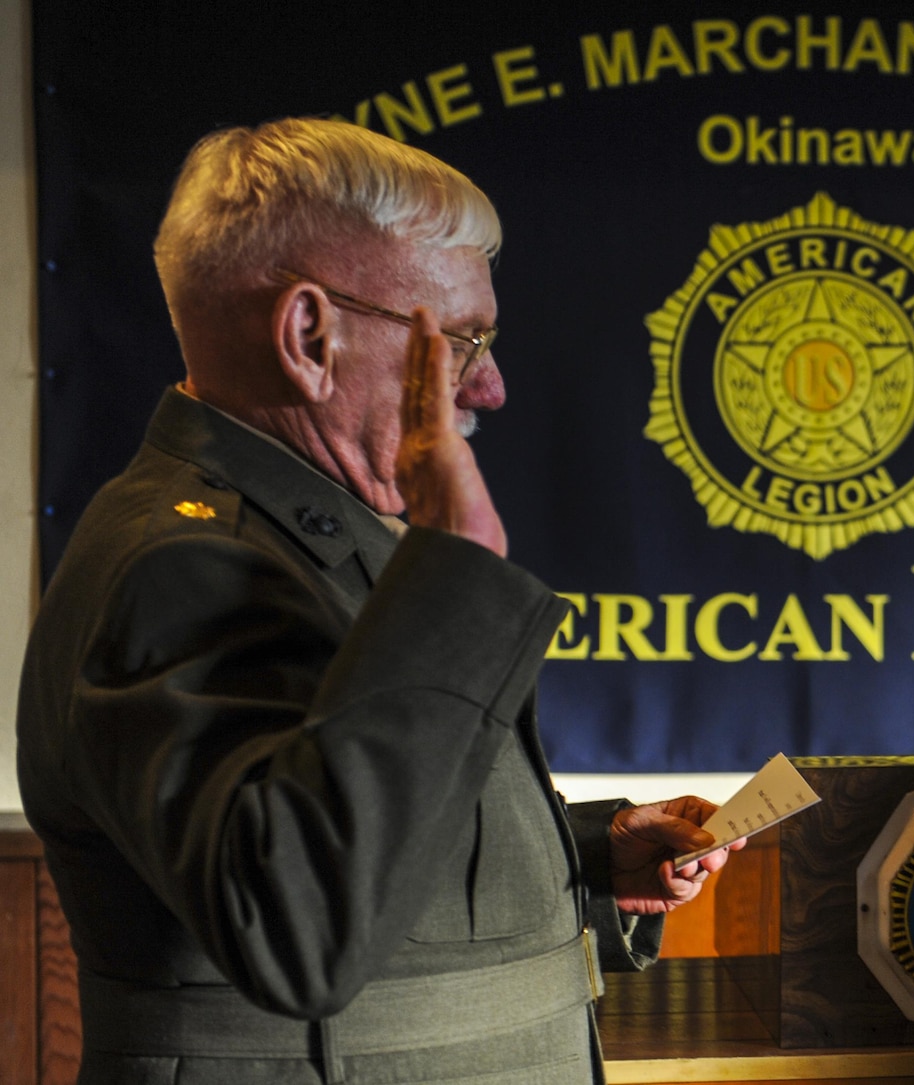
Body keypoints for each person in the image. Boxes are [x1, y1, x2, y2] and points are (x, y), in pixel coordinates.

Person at [15, 118, 739, 1083]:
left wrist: (587, 852)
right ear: (310, 336)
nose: (492, 384)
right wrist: (457, 576)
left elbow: (326, 812)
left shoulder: (302, 531)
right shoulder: (177, 563)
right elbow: (294, 925)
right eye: (463, 339)